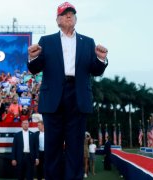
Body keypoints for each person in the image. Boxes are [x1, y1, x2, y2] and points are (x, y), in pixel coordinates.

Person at [27, 2, 108, 179]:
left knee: (75, 147)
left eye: (71, 13)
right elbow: (35, 68)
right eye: (64, 14)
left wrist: (101, 60)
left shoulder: (87, 42)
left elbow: (95, 70)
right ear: (57, 20)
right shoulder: (46, 41)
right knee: (52, 147)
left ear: (76, 18)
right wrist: (32, 57)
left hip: (78, 97)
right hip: (53, 97)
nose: (68, 16)